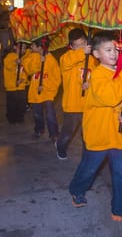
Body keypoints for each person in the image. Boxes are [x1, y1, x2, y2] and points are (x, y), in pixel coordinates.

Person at [68, 30, 122, 224]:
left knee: (121, 173)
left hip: (118, 137)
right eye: (108, 50)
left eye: (115, 50)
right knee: (89, 168)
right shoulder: (98, 76)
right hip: (99, 135)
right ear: (96, 54)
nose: (114, 54)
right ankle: (77, 190)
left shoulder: (121, 75)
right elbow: (108, 97)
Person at [55, 28, 95, 160]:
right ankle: (60, 146)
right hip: (72, 105)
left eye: (83, 44)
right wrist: (82, 52)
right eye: (77, 46)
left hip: (87, 105)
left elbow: (96, 77)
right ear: (71, 47)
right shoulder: (66, 58)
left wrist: (90, 83)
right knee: (68, 132)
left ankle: (87, 154)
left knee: (87, 133)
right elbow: (66, 62)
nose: (81, 48)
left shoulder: (92, 61)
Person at [22, 36, 61, 142]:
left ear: (40, 47)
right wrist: (39, 62)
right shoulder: (33, 56)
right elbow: (28, 69)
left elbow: (56, 79)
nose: (31, 47)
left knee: (50, 114)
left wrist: (45, 86)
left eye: (33, 45)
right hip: (35, 92)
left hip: (47, 93)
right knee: (37, 113)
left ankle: (54, 133)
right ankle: (39, 129)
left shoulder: (52, 60)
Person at [3, 42, 30, 124]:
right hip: (11, 86)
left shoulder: (24, 58)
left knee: (22, 102)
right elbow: (8, 66)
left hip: (21, 86)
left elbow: (25, 71)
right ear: (15, 47)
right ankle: (11, 117)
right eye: (21, 48)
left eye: (25, 48)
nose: (23, 50)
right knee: (12, 103)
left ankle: (20, 116)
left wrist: (22, 79)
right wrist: (15, 62)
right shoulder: (10, 56)